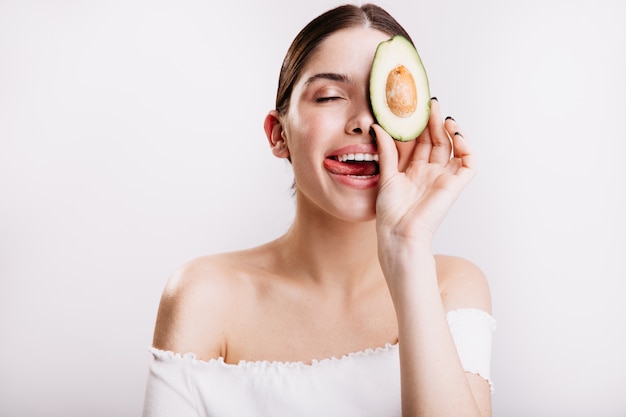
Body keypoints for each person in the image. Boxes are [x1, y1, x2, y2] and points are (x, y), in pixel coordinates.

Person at [142, 3, 495, 417]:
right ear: (279, 134)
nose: (365, 121)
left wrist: (408, 248)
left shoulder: (452, 287)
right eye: (329, 96)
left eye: (389, 100)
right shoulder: (203, 294)